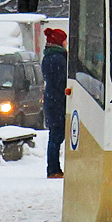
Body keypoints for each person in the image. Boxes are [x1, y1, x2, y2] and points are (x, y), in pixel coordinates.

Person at [42, 28, 67, 179]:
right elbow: (62, 81)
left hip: (52, 100)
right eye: (64, 40)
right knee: (57, 136)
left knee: (55, 136)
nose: (66, 43)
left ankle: (53, 168)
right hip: (58, 102)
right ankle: (53, 169)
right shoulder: (58, 59)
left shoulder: (49, 57)